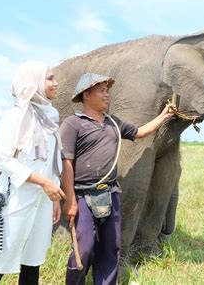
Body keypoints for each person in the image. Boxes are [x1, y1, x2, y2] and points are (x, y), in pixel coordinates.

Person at [61, 72, 174, 285]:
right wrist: (70, 200)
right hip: (84, 196)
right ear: (86, 94)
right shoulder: (73, 124)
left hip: (110, 193)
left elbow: (140, 132)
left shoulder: (113, 122)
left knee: (110, 248)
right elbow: (66, 163)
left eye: (107, 91)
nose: (107, 95)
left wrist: (164, 116)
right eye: (102, 91)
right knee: (83, 248)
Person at [0, 61, 66, 285]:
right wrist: (43, 182)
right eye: (50, 78)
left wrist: (53, 195)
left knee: (33, 261)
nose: (56, 83)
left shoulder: (50, 117)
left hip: (42, 202)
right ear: (33, 82)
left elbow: (51, 163)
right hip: (15, 200)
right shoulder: (16, 116)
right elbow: (2, 159)